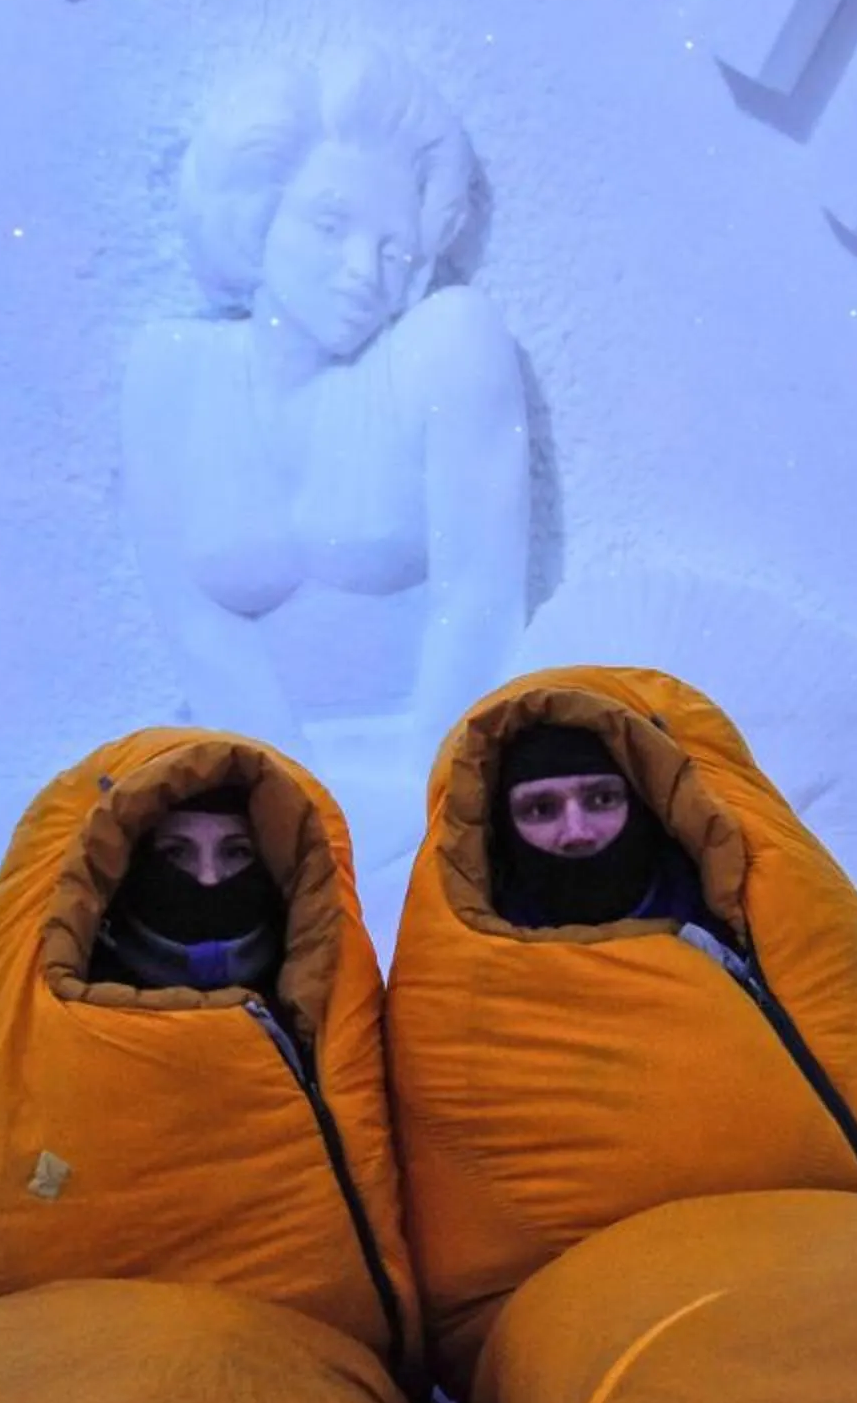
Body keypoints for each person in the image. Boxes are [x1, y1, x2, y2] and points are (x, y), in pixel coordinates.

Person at [122, 47, 531, 869]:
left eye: (395, 252)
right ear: (257, 210)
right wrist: (289, 821)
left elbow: (480, 602)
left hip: (431, 794)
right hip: (249, 810)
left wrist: (427, 817)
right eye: (330, 224)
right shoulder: (170, 371)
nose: (361, 274)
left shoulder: (446, 347)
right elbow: (196, 626)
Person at [489, 723, 716, 935]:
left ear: (643, 805)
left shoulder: (733, 933)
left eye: (603, 799)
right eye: (541, 809)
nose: (577, 833)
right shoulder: (467, 957)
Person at [87, 785, 286, 997]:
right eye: (176, 852)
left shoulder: (313, 1009)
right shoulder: (66, 1005)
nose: (208, 878)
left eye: (236, 852)